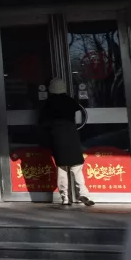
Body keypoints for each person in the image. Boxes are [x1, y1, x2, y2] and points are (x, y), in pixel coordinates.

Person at [40, 78, 95, 206]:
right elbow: (80, 114)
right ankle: (83, 193)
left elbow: (42, 123)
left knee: (62, 168)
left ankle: (65, 197)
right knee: (77, 168)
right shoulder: (70, 101)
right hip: (72, 136)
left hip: (57, 137)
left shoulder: (48, 103)